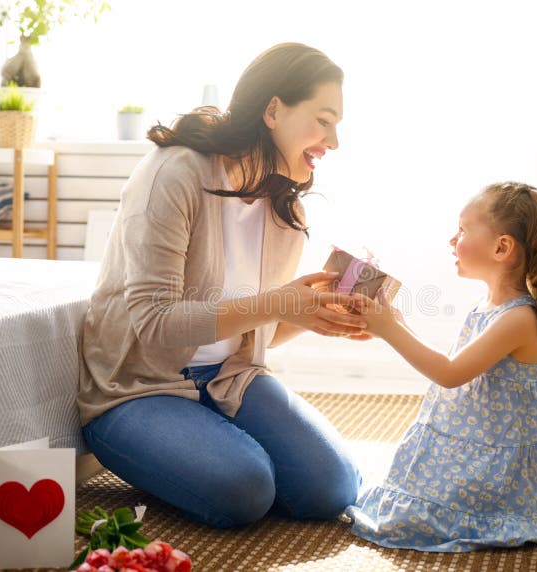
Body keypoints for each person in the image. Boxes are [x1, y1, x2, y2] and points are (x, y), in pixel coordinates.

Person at [78, 43, 366, 529]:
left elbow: (255, 333)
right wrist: (279, 301)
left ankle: (212, 445)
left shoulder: (286, 210)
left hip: (231, 378)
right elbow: (154, 324)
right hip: (139, 389)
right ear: (274, 110)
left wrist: (311, 316)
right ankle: (177, 450)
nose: (333, 141)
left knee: (332, 488)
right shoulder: (176, 171)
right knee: (246, 490)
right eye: (324, 120)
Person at [346, 182, 537, 552]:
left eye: (463, 230)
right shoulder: (485, 306)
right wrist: (391, 318)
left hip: (496, 459)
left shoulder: (518, 318)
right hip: (472, 444)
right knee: (399, 499)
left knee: (411, 518)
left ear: (502, 247)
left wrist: (388, 329)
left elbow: (450, 373)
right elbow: (456, 365)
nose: (453, 240)